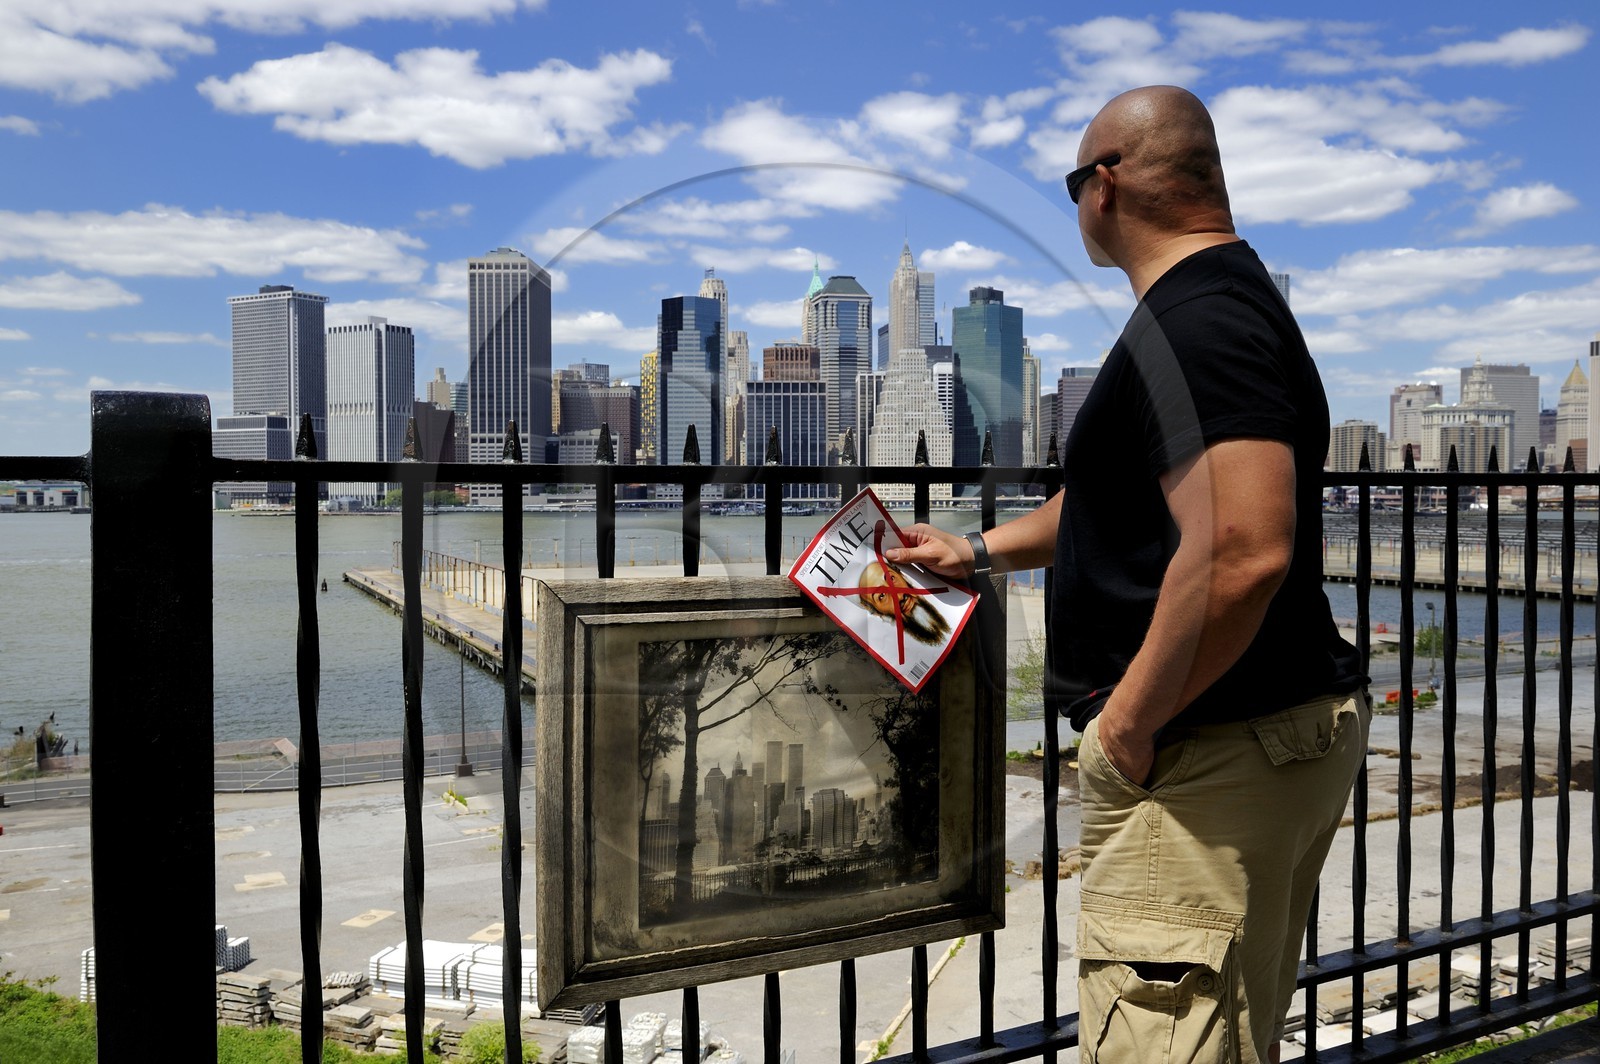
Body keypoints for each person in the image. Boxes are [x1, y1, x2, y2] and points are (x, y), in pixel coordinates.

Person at [889, 85, 1368, 1064]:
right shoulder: (1217, 307)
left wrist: (1128, 726)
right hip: (1251, 740)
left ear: (1103, 184)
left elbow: (1243, 549)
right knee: (1225, 1032)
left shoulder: (1198, 323)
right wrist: (974, 552)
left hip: (1201, 754)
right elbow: (1112, 508)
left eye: (1072, 186)